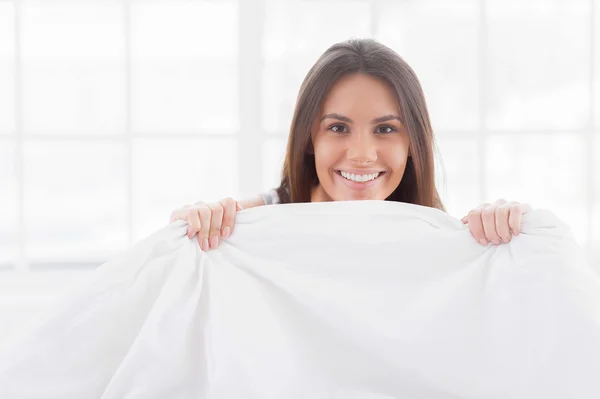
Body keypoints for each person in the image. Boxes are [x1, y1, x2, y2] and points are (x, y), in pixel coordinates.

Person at [170, 38, 532, 252]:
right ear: (309, 138)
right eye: (339, 127)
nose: (361, 154)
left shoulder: (436, 236)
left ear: (413, 144)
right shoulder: (257, 223)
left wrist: (502, 224)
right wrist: (197, 221)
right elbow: (195, 232)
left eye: (386, 130)